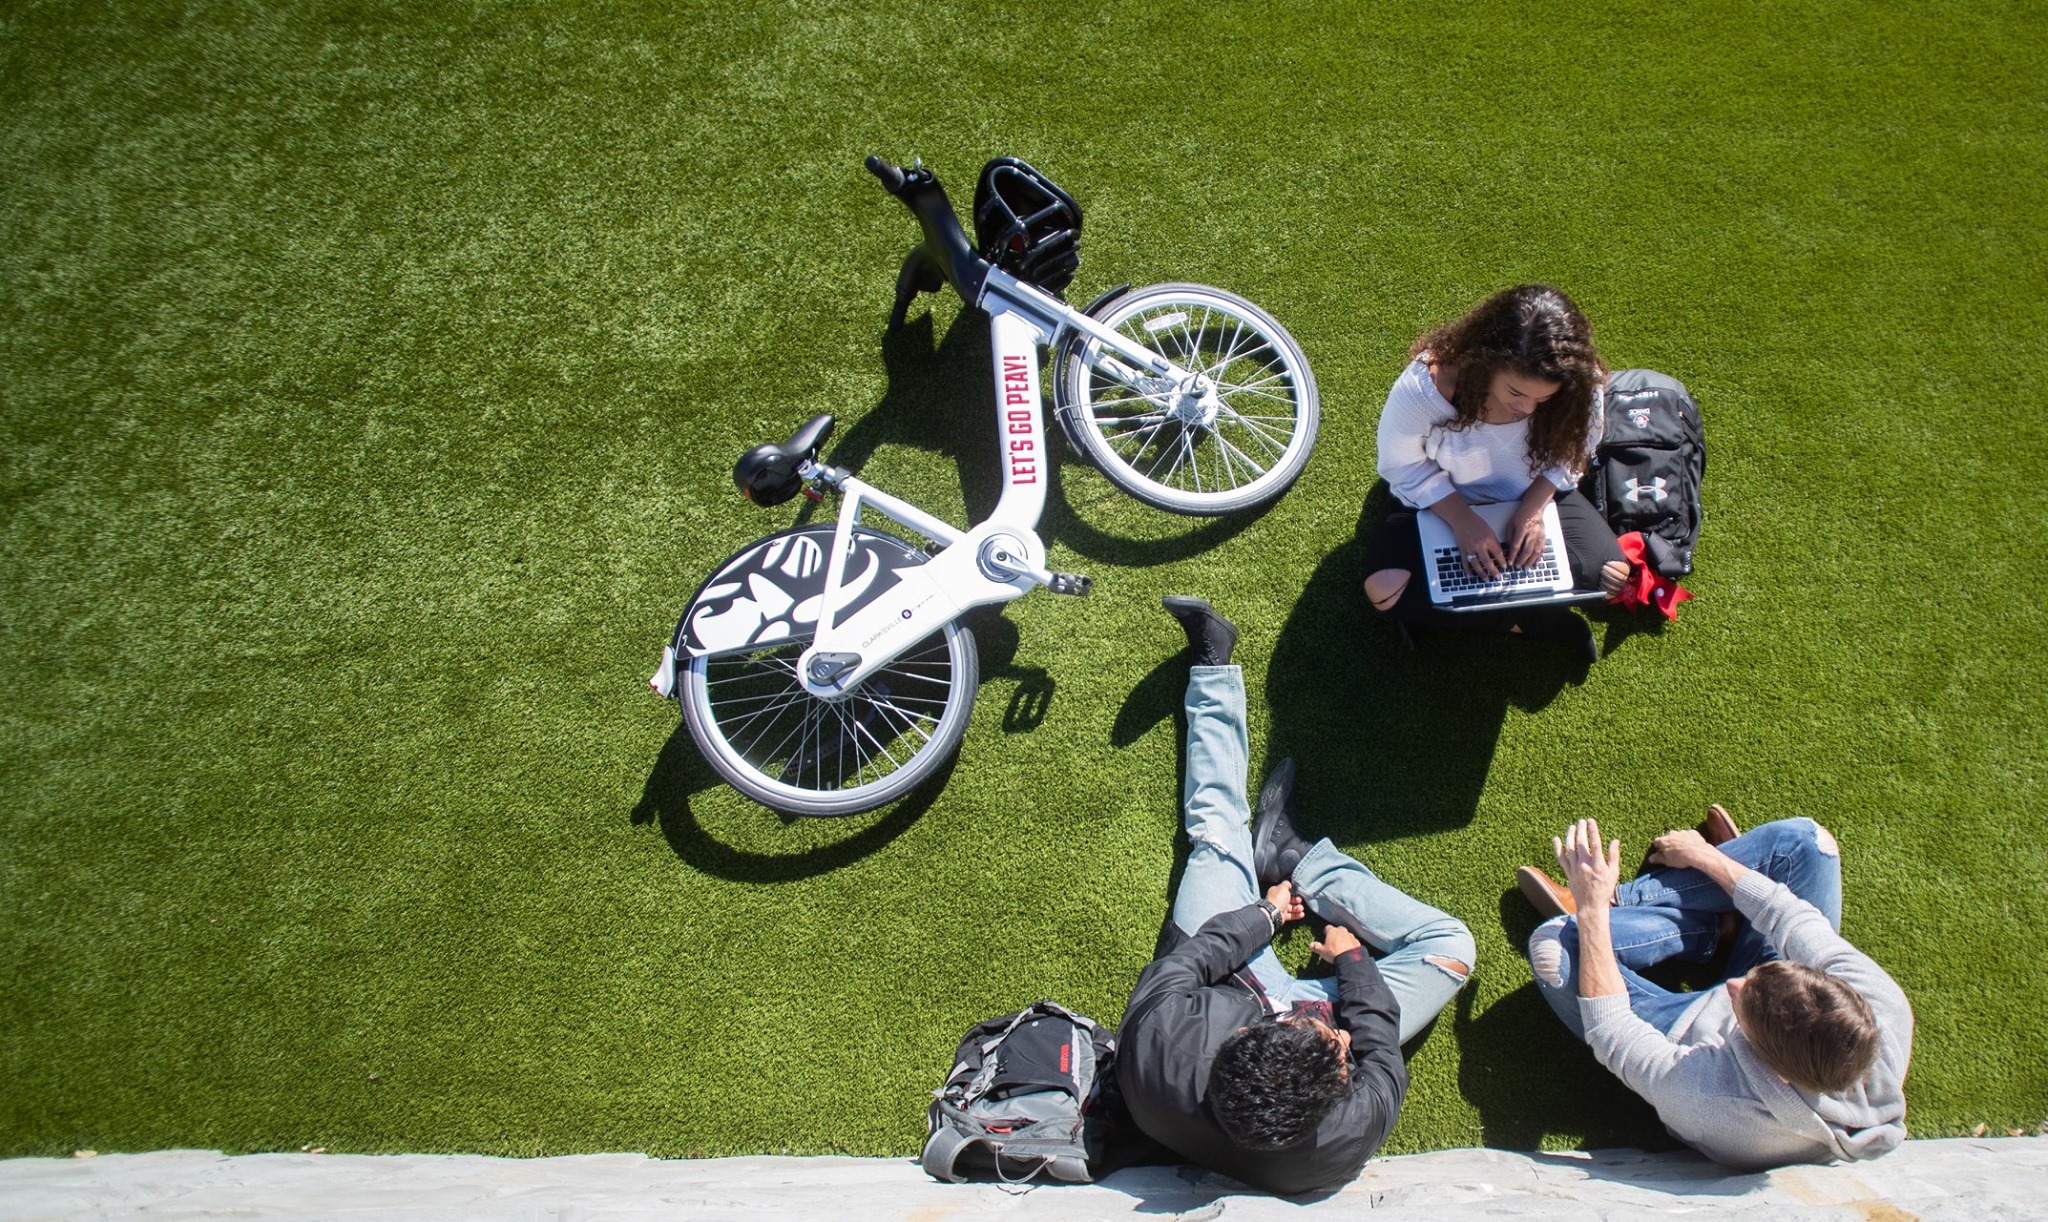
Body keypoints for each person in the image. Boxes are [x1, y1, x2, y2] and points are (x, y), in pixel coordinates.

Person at [1116, 596, 1476, 1195]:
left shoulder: (1161, 1045)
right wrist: (1353, 961)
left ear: (1238, 1041)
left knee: (1214, 833)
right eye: (1340, 1050)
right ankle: (1298, 858)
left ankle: (1212, 669)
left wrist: (1266, 913)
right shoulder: (1347, 1135)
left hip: (1228, 973)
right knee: (1453, 944)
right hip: (1256, 998)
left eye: (1329, 1037)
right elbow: (1376, 1037)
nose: (1341, 1034)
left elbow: (1198, 958)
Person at [1516, 809, 1913, 1170]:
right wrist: (1703, 856)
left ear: (1769, 1067)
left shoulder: (1715, 1102)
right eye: (1760, 976)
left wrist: (1590, 907)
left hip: (1681, 1030)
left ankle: (1693, 922)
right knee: (1810, 844)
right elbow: (1786, 914)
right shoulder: (1880, 1006)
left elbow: (1611, 1030)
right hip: (1776, 1024)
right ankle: (1662, 908)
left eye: (1742, 1000)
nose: (1735, 985)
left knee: (1555, 951)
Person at [1361, 284, 1630, 658]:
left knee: (1610, 577)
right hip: (1437, 501)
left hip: (1532, 491)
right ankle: (1534, 623)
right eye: (1516, 392)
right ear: (1484, 360)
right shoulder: (1425, 389)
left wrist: (1533, 510)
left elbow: (1573, 453)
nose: (1528, 409)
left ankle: (1465, 612)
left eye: (1544, 398)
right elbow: (1401, 465)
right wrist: (1463, 522)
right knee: (1385, 590)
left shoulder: (1581, 386)